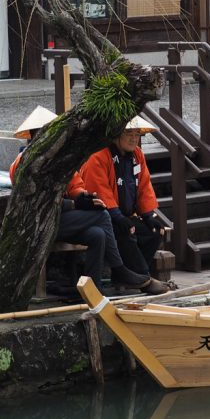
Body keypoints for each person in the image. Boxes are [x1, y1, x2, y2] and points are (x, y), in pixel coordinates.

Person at [9, 106, 161, 295]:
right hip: (38, 222)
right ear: (35, 136)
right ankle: (123, 271)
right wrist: (75, 204)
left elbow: (75, 186)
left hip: (62, 219)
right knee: (104, 216)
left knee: (98, 233)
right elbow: (37, 204)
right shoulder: (23, 164)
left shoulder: (63, 159)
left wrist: (84, 198)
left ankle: (93, 289)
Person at [81, 115, 173, 292]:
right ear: (116, 134)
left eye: (137, 134)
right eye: (128, 133)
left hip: (126, 214)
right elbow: (99, 189)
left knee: (154, 232)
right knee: (124, 230)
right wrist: (117, 216)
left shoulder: (137, 155)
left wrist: (148, 215)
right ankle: (143, 279)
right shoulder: (98, 156)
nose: (133, 138)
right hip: (102, 216)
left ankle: (132, 277)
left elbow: (144, 186)